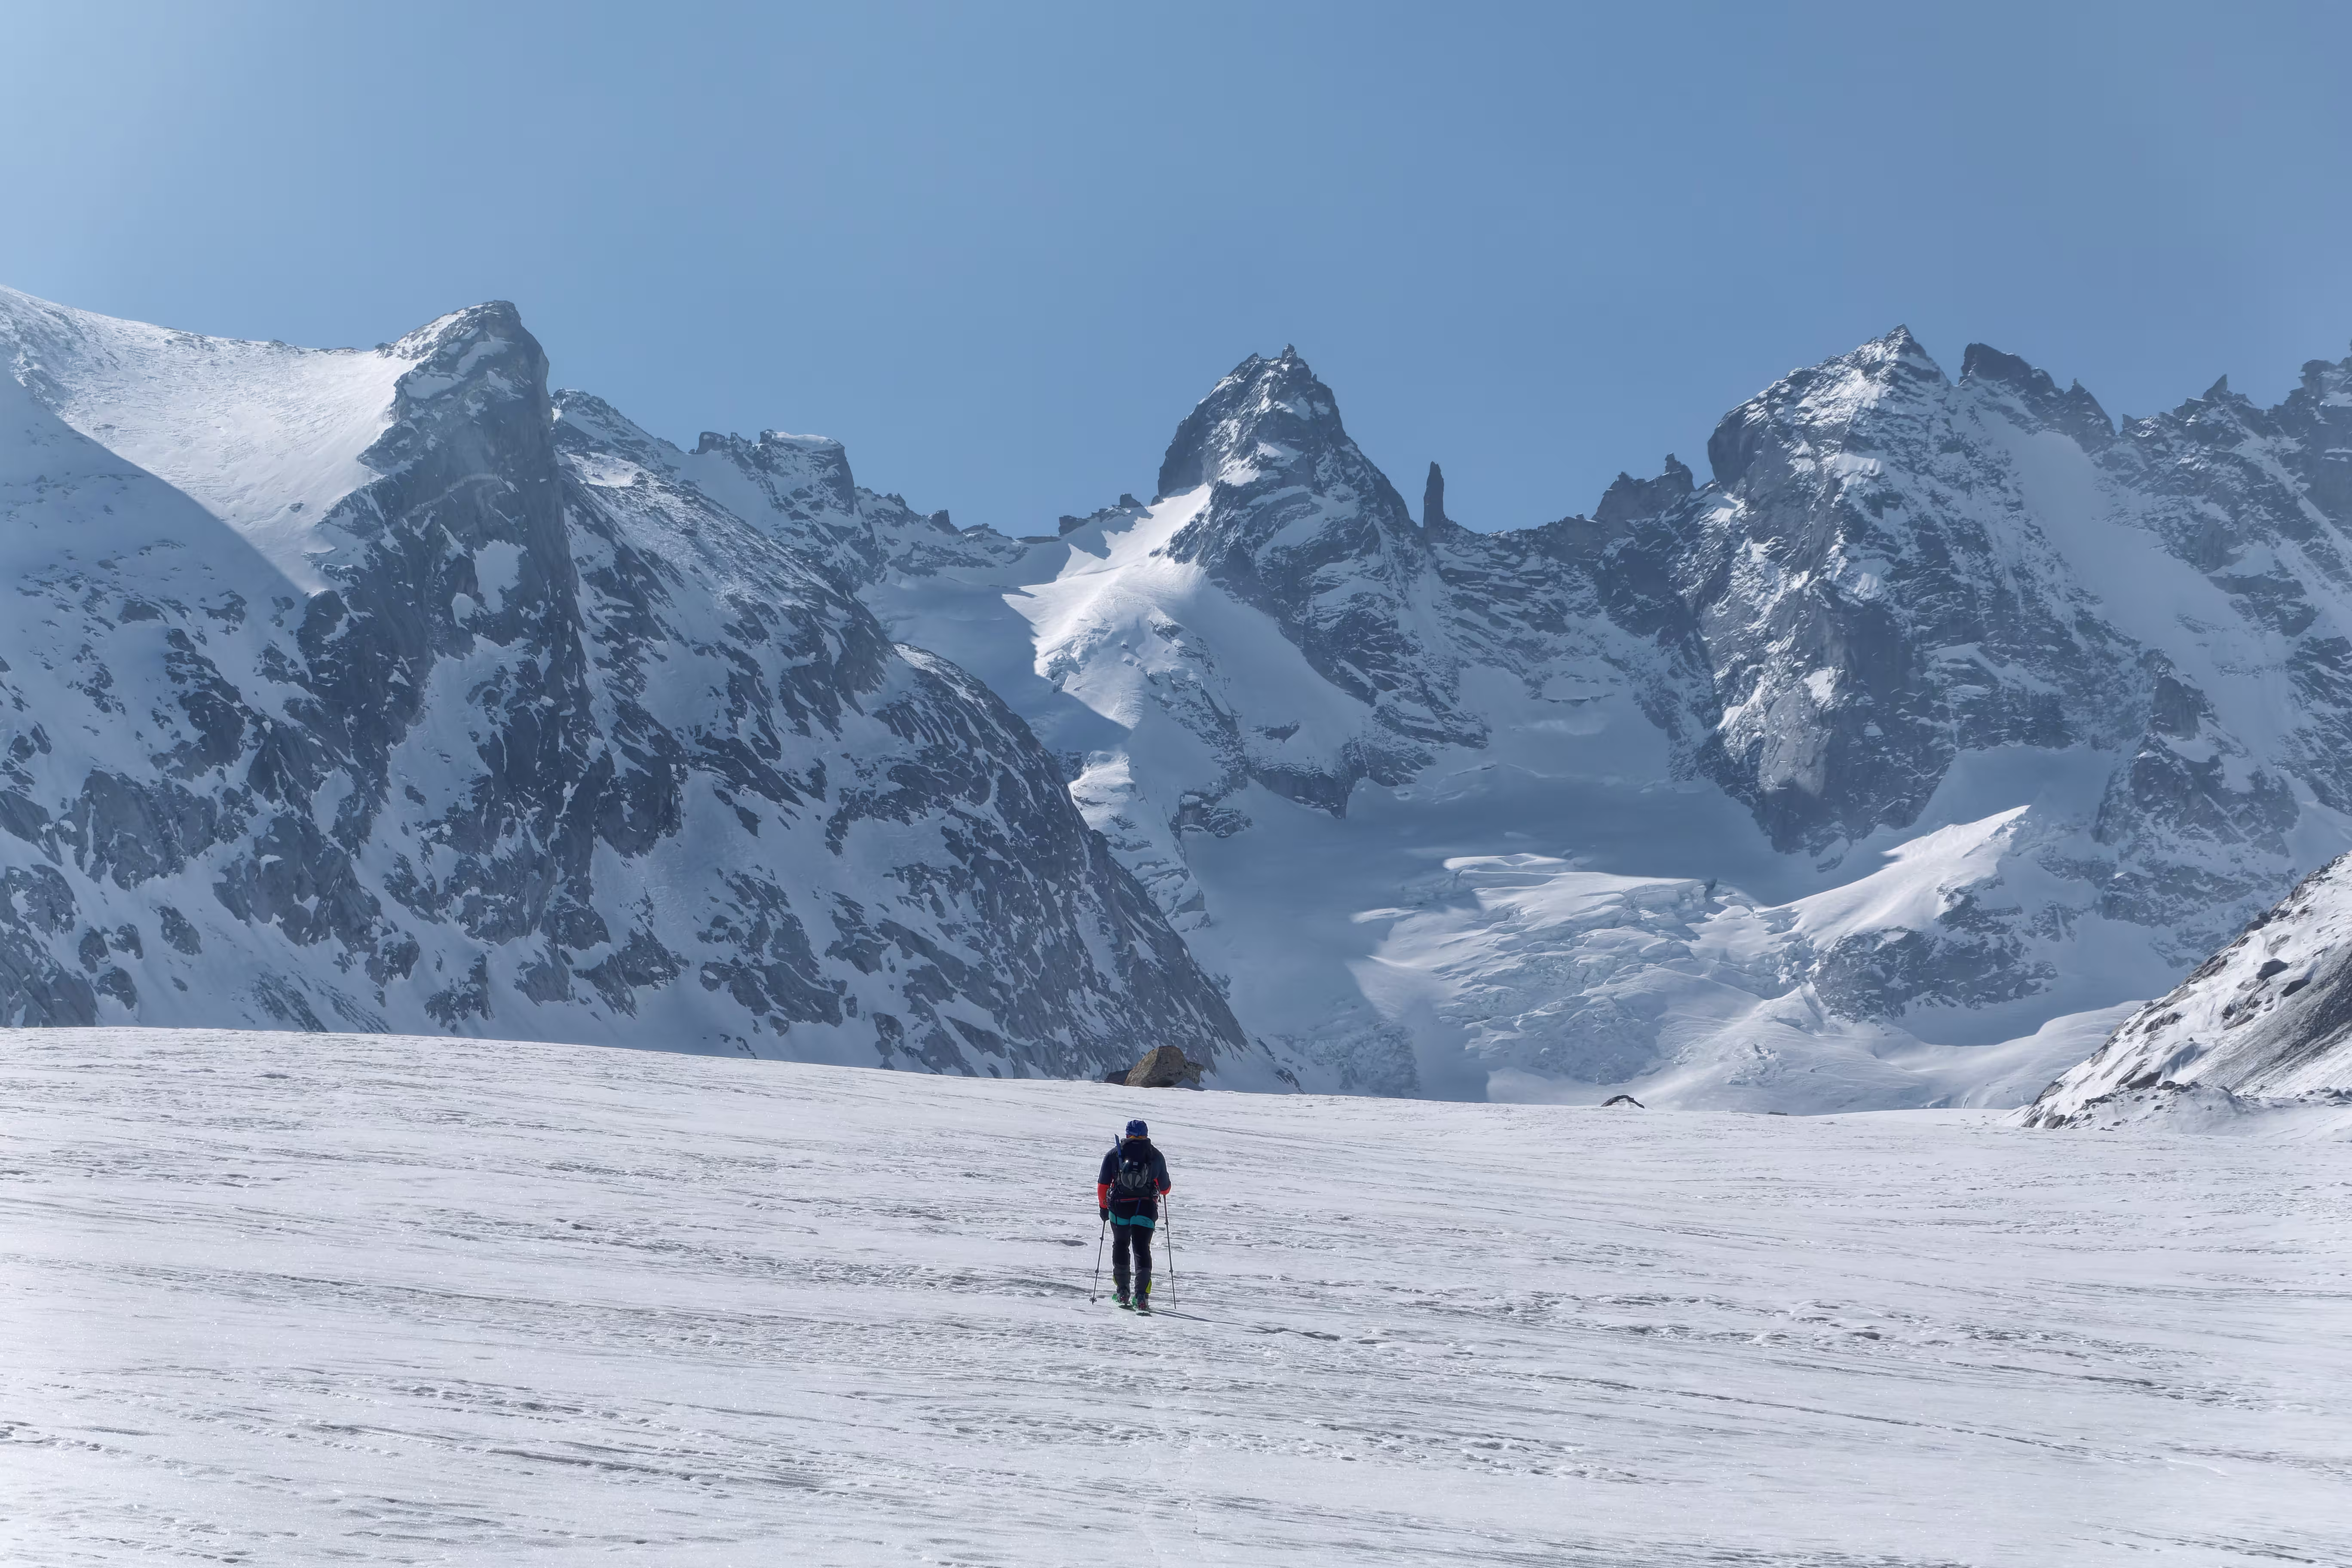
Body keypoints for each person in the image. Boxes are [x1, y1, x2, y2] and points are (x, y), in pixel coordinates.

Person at [1096, 1118, 1172, 1311]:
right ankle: (1142, 1297)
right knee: (1142, 1249)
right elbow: (1165, 1189)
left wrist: (1103, 1207)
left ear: (1127, 1133)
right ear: (1146, 1134)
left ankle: (1122, 1292)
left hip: (1120, 1208)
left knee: (1121, 1245)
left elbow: (1103, 1184)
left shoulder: (1115, 1154)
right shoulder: (1155, 1155)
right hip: (1146, 1209)